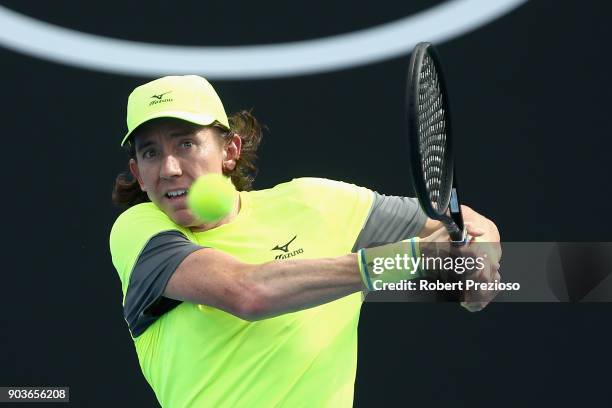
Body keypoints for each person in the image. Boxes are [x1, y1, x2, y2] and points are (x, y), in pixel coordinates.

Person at [109, 75, 501, 407]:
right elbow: (247, 292)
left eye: (186, 144)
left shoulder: (318, 203)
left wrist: (472, 266)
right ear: (138, 174)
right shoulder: (139, 231)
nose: (169, 168)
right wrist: (405, 258)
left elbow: (468, 225)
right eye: (150, 153)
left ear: (230, 150)